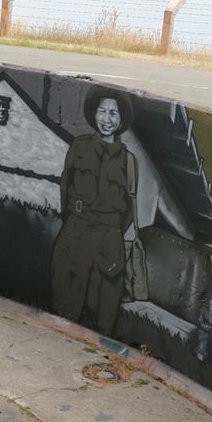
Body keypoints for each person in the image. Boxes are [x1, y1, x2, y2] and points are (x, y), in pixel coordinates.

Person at [51, 85, 138, 335]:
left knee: (104, 302)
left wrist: (110, 229)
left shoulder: (129, 161)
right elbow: (65, 187)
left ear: (120, 120)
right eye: (102, 111)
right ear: (93, 114)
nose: (107, 119)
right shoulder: (79, 147)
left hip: (109, 238)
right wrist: (76, 220)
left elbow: (130, 208)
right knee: (66, 290)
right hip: (76, 228)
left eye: (113, 113)